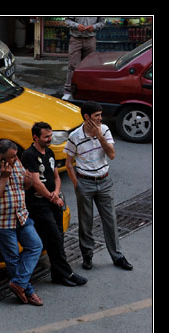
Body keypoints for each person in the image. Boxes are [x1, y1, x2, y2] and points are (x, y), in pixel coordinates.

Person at [65, 101, 133, 271]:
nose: (100, 119)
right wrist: (76, 184)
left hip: (104, 181)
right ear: (87, 117)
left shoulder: (104, 130)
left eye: (101, 115)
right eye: (97, 116)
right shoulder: (75, 136)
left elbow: (112, 155)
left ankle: (117, 256)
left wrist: (100, 137)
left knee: (110, 220)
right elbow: (68, 163)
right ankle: (87, 255)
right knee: (85, 222)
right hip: (85, 182)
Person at [0, 139, 44, 306]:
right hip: (2, 221)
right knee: (12, 257)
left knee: (35, 246)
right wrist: (4, 177)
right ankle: (28, 290)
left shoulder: (16, 162)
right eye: (12, 157)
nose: (16, 159)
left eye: (16, 156)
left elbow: (25, 186)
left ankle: (19, 283)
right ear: (0, 157)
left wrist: (28, 180)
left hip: (21, 216)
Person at [22, 122, 88, 287]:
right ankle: (67, 273)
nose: (49, 139)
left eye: (50, 136)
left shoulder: (49, 152)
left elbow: (56, 176)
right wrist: (53, 198)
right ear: (35, 137)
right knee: (54, 237)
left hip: (53, 200)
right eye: (46, 137)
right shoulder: (29, 155)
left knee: (58, 237)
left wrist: (56, 192)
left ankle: (58, 274)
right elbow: (36, 182)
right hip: (39, 204)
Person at [63, 17, 105, 99]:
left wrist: (94, 27)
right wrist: (76, 25)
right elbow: (67, 21)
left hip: (90, 40)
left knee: (89, 67)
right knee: (73, 65)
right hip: (75, 39)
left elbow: (102, 23)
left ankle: (86, 90)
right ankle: (68, 91)